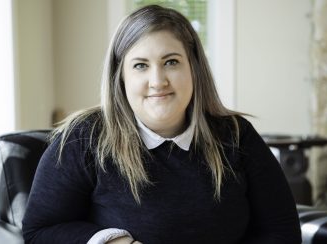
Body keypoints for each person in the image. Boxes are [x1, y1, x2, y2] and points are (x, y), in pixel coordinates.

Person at [22, 5, 302, 244]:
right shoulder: (83, 138)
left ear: (193, 68)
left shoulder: (237, 136)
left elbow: (282, 230)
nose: (158, 81)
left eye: (171, 62)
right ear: (121, 77)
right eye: (140, 65)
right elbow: (39, 231)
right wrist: (112, 240)